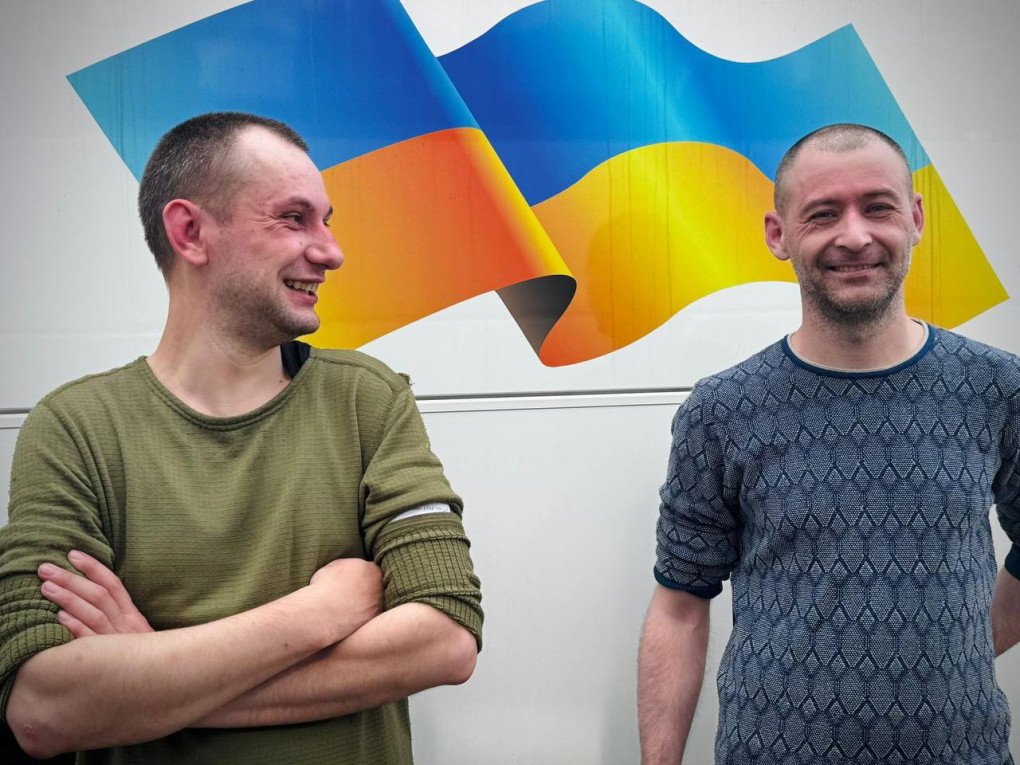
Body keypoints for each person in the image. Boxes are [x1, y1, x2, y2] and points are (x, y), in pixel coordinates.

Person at [0, 112, 483, 763]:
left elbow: (445, 638)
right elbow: (44, 708)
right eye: (293, 218)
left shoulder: (368, 399)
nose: (331, 251)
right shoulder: (75, 429)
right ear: (190, 232)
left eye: (326, 220)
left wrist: (146, 676)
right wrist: (319, 613)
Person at [637, 123, 1020, 764]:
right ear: (778, 235)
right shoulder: (721, 410)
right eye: (823, 214)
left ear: (916, 218)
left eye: (878, 207)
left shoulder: (998, 388)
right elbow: (680, 605)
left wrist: (969, 647)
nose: (855, 235)